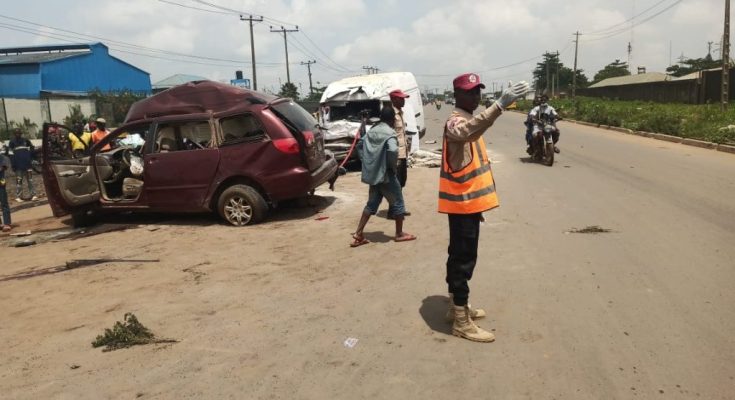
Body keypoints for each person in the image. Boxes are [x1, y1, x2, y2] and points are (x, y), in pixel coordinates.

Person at [439, 73, 528, 342]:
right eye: (470, 92)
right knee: (463, 260)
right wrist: (499, 105)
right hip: (462, 204)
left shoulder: (468, 120)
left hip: (470, 203)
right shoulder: (456, 122)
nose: (476, 96)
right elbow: (466, 131)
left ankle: (458, 308)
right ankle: (461, 322)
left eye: (478, 91)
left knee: (460, 255)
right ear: (457, 95)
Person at [350, 106, 416, 247]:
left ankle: (358, 234)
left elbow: (359, 146)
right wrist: (392, 165)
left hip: (374, 175)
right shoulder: (390, 133)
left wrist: (367, 161)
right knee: (398, 202)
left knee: (371, 204)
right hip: (386, 174)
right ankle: (399, 234)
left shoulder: (372, 131)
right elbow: (392, 149)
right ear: (392, 120)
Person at [7, 128, 37, 202]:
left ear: (21, 134)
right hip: (18, 165)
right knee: (19, 181)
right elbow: (10, 154)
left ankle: (33, 195)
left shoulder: (26, 141)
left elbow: (32, 148)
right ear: (14, 134)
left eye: (19, 133)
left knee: (30, 180)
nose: (18, 134)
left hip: (27, 164)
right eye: (16, 133)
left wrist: (31, 157)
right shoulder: (12, 142)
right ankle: (18, 196)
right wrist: (13, 165)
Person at [0, 153, 12, 232]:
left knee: (4, 202)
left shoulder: (2, 157)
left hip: (0, 183)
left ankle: (7, 223)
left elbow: (3, 166)